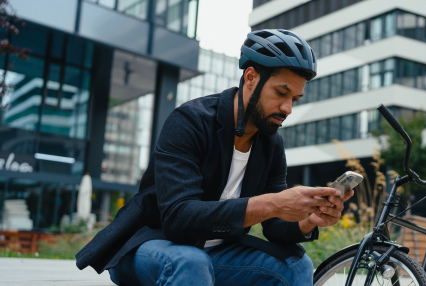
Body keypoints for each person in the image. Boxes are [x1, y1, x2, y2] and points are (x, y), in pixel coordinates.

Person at [75, 29, 354, 285]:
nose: (287, 108)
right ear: (251, 78)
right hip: (152, 246)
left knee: (296, 266)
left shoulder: (271, 144)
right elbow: (178, 218)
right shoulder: (189, 121)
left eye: (295, 99)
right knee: (190, 262)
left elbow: (275, 227)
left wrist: (308, 221)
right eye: (281, 92)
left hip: (217, 254)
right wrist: (272, 203)